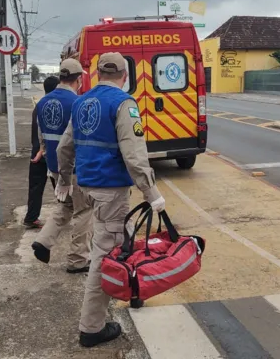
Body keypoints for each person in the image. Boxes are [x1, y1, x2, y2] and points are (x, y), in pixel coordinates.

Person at [55, 52, 166, 348]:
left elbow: (64, 147)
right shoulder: (123, 104)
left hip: (87, 185)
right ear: (125, 76)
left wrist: (65, 179)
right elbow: (134, 155)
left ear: (95, 74)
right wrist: (151, 192)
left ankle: (134, 292)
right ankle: (91, 327)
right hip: (111, 191)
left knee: (122, 242)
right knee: (104, 256)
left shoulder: (81, 102)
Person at [31, 59, 92, 274]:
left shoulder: (42, 102)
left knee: (66, 206)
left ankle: (43, 241)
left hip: (54, 168)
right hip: (74, 167)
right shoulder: (78, 103)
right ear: (78, 79)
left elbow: (41, 138)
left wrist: (50, 160)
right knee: (84, 211)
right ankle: (78, 259)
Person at [23, 76, 60, 228]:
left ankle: (31, 218)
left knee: (35, 188)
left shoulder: (39, 106)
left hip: (37, 153)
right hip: (51, 153)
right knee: (61, 188)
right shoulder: (55, 106)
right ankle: (65, 215)